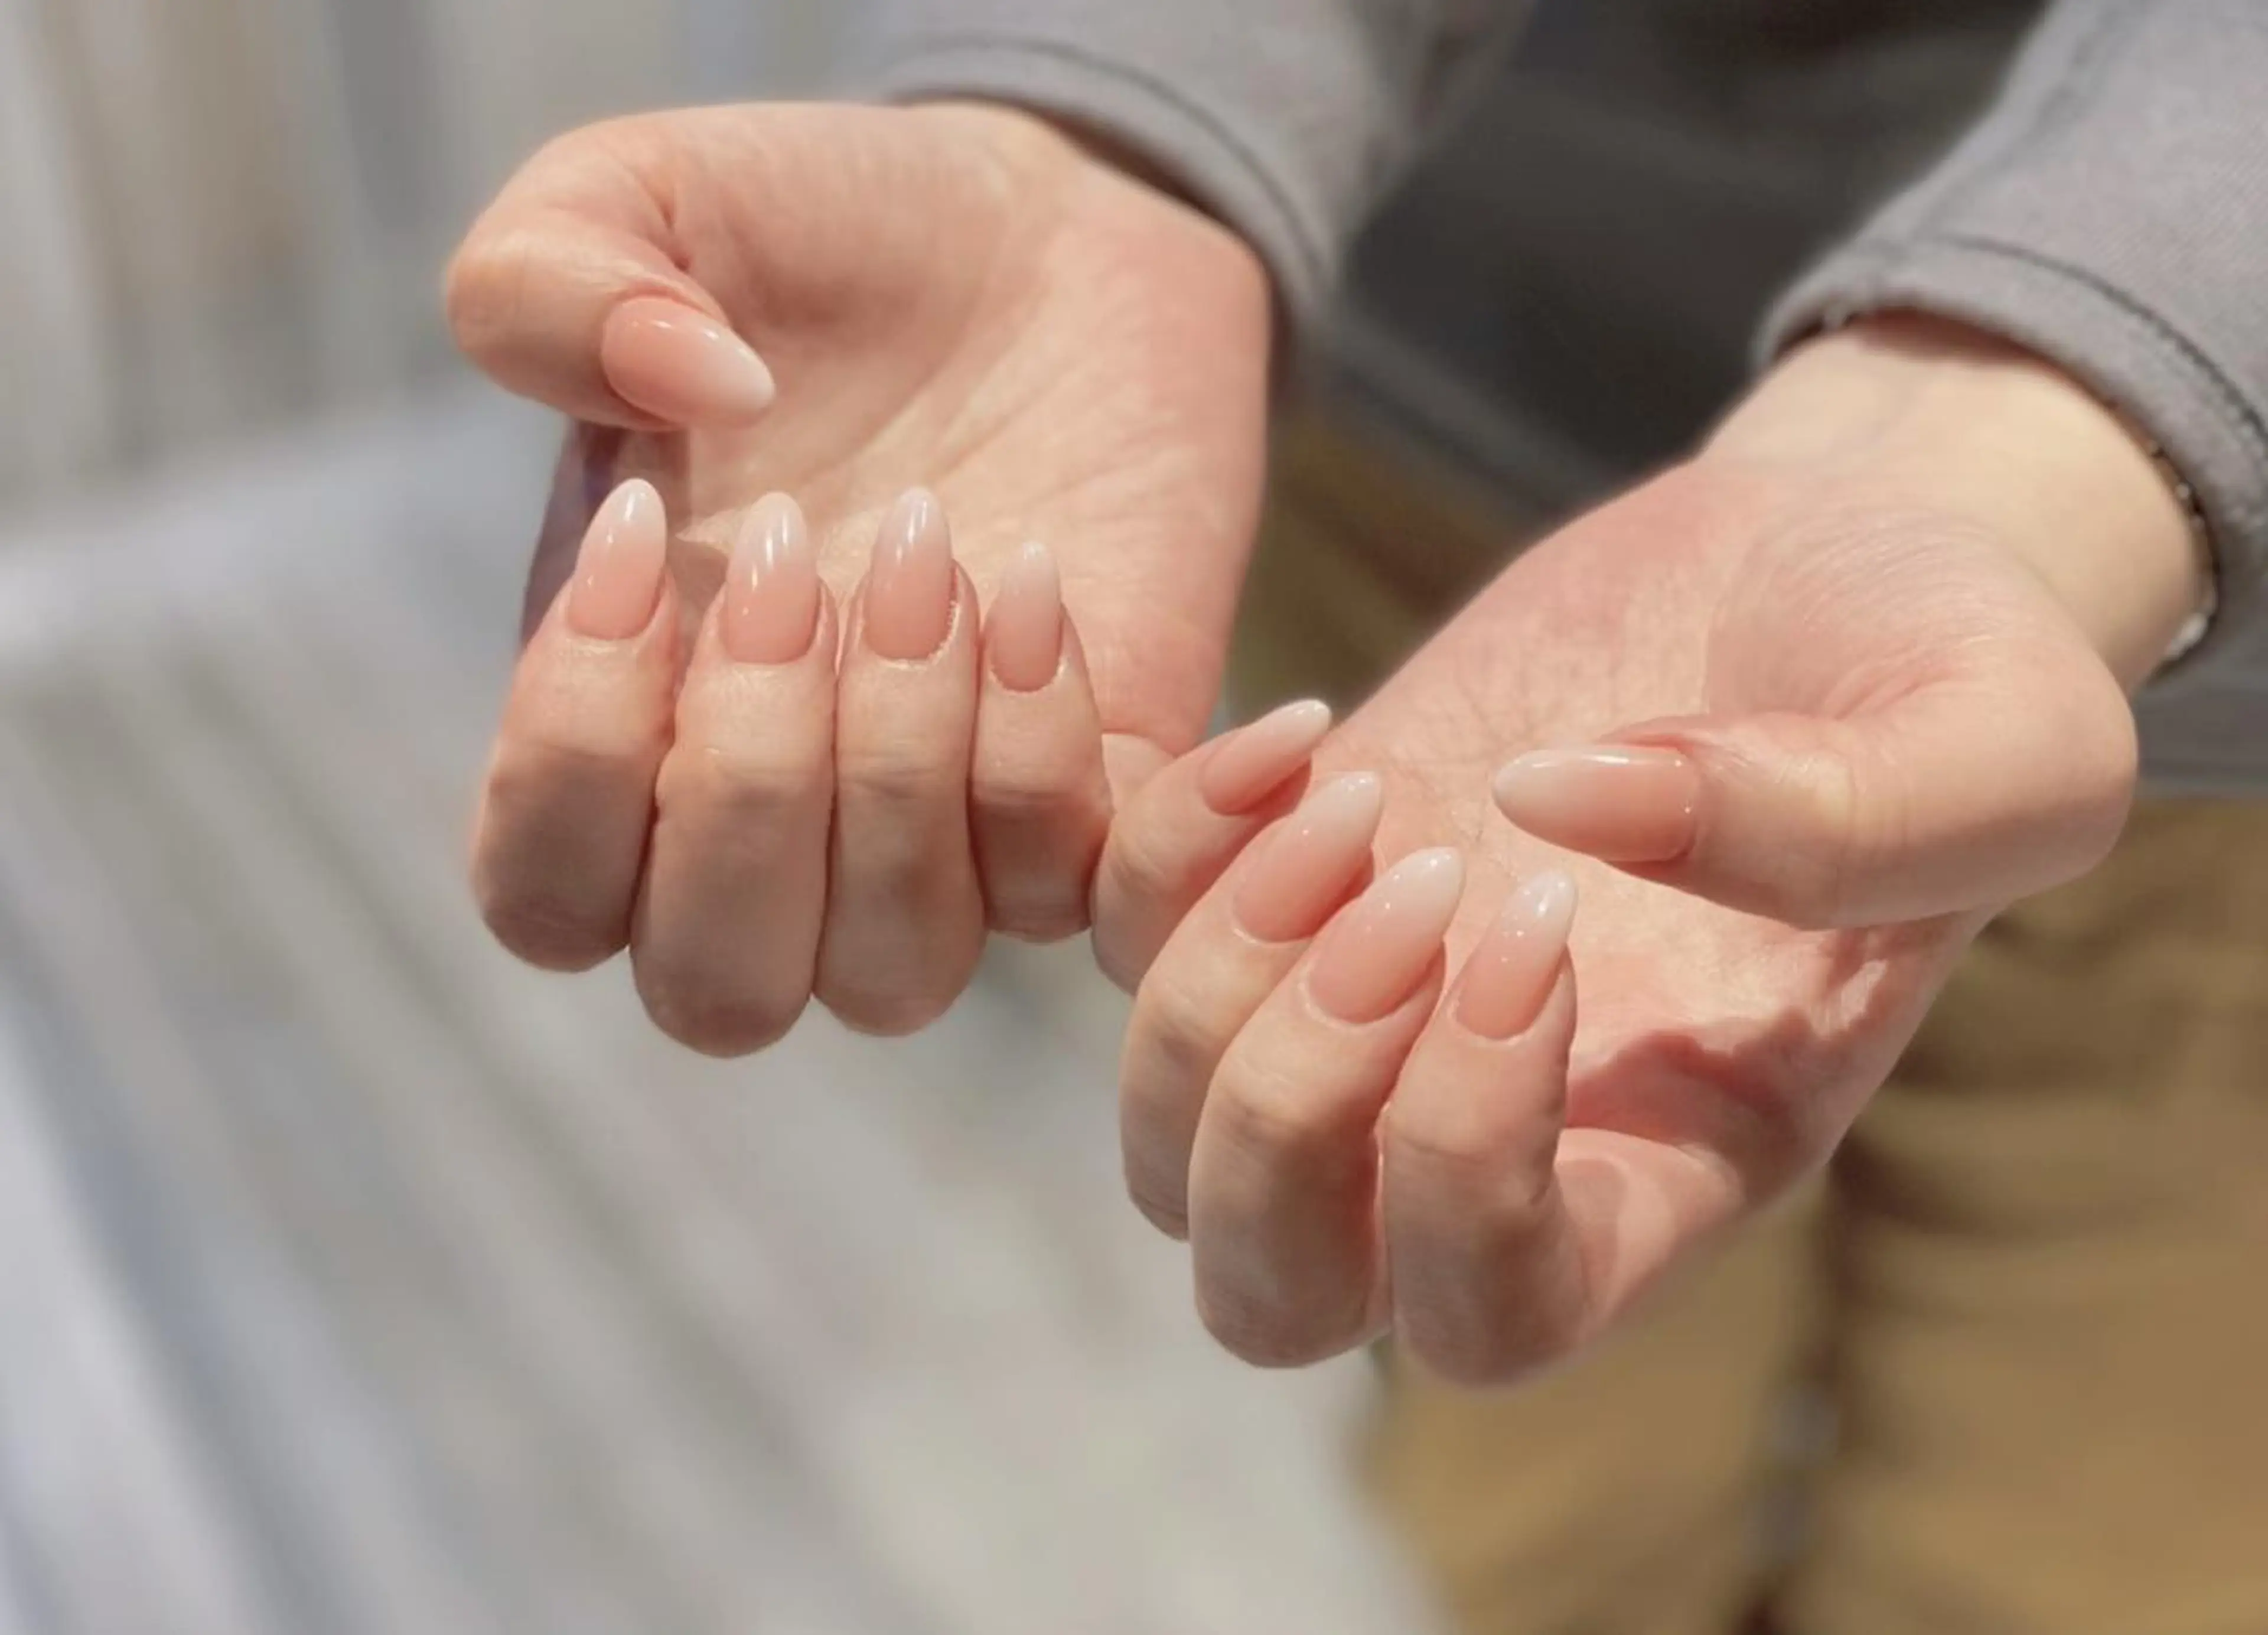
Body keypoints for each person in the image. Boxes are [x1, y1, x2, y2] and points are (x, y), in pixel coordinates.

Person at [444, 1, 2268, 1629]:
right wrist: (1114, 112)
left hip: (2205, 622)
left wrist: (2081, 400)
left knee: (2081, 1527)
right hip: (1416, 431)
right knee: (1524, 1413)